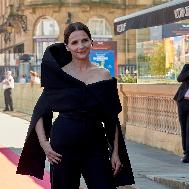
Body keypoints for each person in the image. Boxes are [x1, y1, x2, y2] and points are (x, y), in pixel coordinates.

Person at [16, 22, 135, 189]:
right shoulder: (60, 75)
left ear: (91, 42)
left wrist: (115, 152)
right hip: (62, 147)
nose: (81, 46)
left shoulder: (104, 75)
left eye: (85, 40)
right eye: (74, 42)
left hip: (96, 145)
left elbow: (111, 116)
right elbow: (39, 111)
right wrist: (44, 143)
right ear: (67, 47)